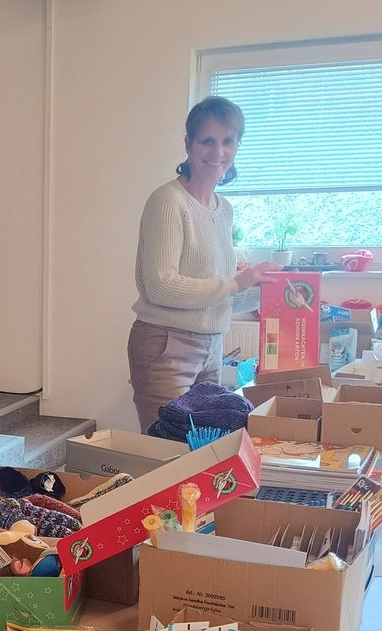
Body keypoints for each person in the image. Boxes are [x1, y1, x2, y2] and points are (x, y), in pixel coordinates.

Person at [127, 96, 279, 432]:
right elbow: (162, 285)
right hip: (166, 346)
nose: (218, 152)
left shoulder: (223, 209)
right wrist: (239, 281)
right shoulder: (168, 201)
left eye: (228, 141)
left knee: (203, 459)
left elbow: (218, 294)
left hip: (212, 348)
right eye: (207, 141)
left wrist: (269, 292)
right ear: (188, 145)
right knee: (166, 455)